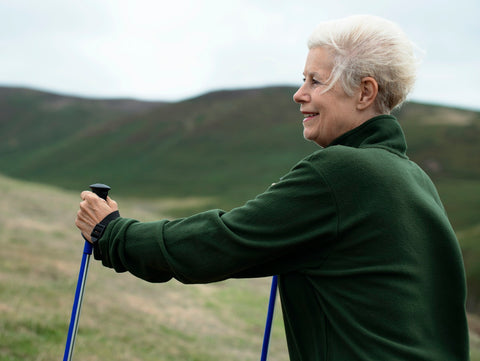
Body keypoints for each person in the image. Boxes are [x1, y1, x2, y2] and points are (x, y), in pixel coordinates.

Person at [76, 15, 470, 361]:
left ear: (365, 92)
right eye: (303, 79)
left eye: (316, 81)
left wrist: (112, 233)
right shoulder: (413, 178)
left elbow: (220, 244)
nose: (299, 94)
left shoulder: (343, 171)